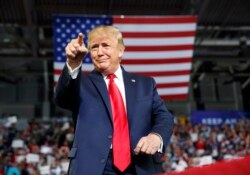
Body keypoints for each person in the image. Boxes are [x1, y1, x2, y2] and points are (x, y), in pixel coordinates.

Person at [55, 25, 174, 175]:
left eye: (105, 45)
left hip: (139, 165)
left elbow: (164, 116)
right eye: (94, 47)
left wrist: (156, 137)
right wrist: (73, 63)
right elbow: (62, 99)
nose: (99, 52)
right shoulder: (80, 82)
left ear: (121, 50)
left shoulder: (145, 84)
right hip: (92, 167)